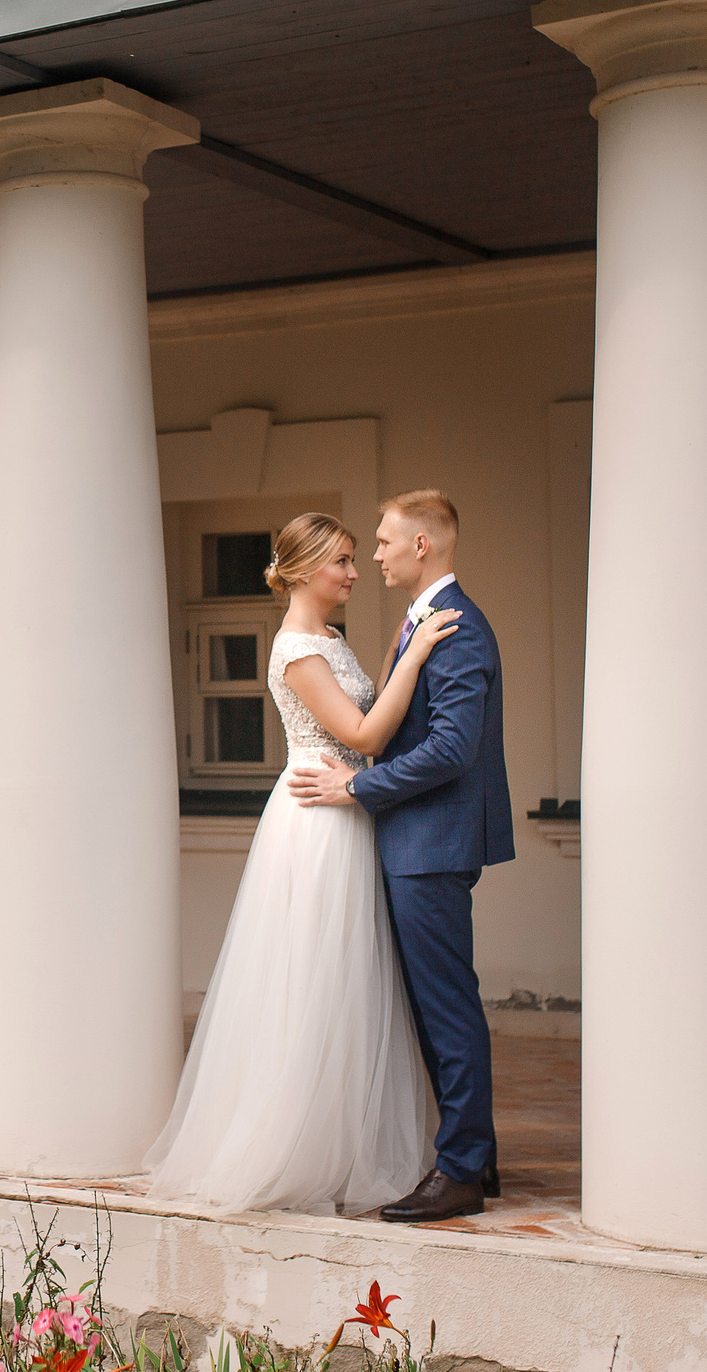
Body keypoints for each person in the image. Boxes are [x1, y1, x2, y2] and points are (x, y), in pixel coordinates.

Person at [145, 511, 459, 1215]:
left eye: (355, 557)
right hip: (317, 821)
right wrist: (412, 657)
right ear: (304, 567)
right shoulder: (295, 649)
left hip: (348, 812)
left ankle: (347, 1140)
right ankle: (298, 1145)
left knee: (350, 981)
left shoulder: (332, 639)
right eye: (341, 560)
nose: (353, 571)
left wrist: (399, 654)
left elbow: (367, 717)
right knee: (312, 977)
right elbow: (362, 731)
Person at [290, 489, 512, 1224]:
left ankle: (462, 1169)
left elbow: (452, 748)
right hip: (412, 840)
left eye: (383, 541)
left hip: (432, 843)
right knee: (429, 1004)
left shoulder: (459, 629)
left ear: (423, 546)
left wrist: (360, 788)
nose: (375, 554)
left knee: (445, 1004)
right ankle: (470, 1151)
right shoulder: (421, 623)